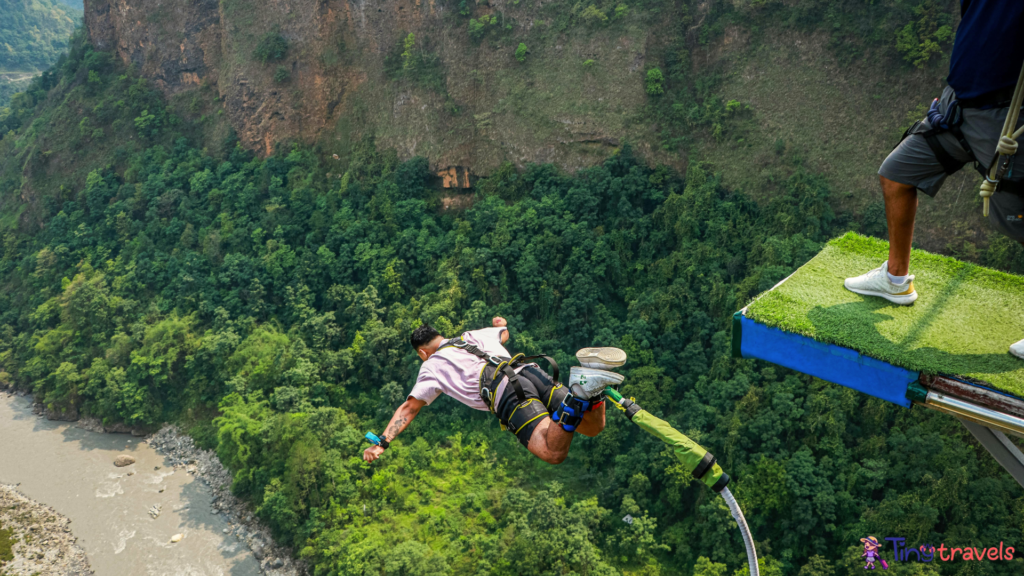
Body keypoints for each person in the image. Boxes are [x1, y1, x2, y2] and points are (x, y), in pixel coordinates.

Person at [844, 1, 1024, 358]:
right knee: (895, 175)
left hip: (1003, 117)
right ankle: (896, 281)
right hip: (957, 106)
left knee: (1017, 220)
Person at [363, 317, 620, 465]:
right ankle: (590, 386)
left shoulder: (431, 366)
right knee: (591, 426)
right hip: (530, 371)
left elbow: (409, 408)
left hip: (507, 393)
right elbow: (503, 333)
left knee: (552, 452)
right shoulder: (471, 336)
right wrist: (501, 323)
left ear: (422, 352)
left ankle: (578, 396)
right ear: (440, 337)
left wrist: (383, 443)